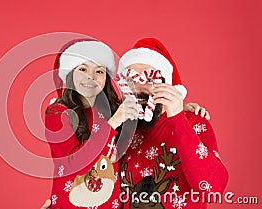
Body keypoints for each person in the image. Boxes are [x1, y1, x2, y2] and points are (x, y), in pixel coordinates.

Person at [43, 38, 214, 209]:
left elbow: (212, 186)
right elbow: (73, 163)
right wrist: (114, 122)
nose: (91, 77)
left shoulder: (111, 110)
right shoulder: (59, 112)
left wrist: (178, 109)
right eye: (82, 69)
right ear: (70, 73)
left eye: (99, 71)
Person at [116, 38, 228, 209]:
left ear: (166, 85)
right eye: (131, 81)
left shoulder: (194, 123)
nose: (138, 90)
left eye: (147, 80)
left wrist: (178, 119)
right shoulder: (118, 130)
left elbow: (213, 189)